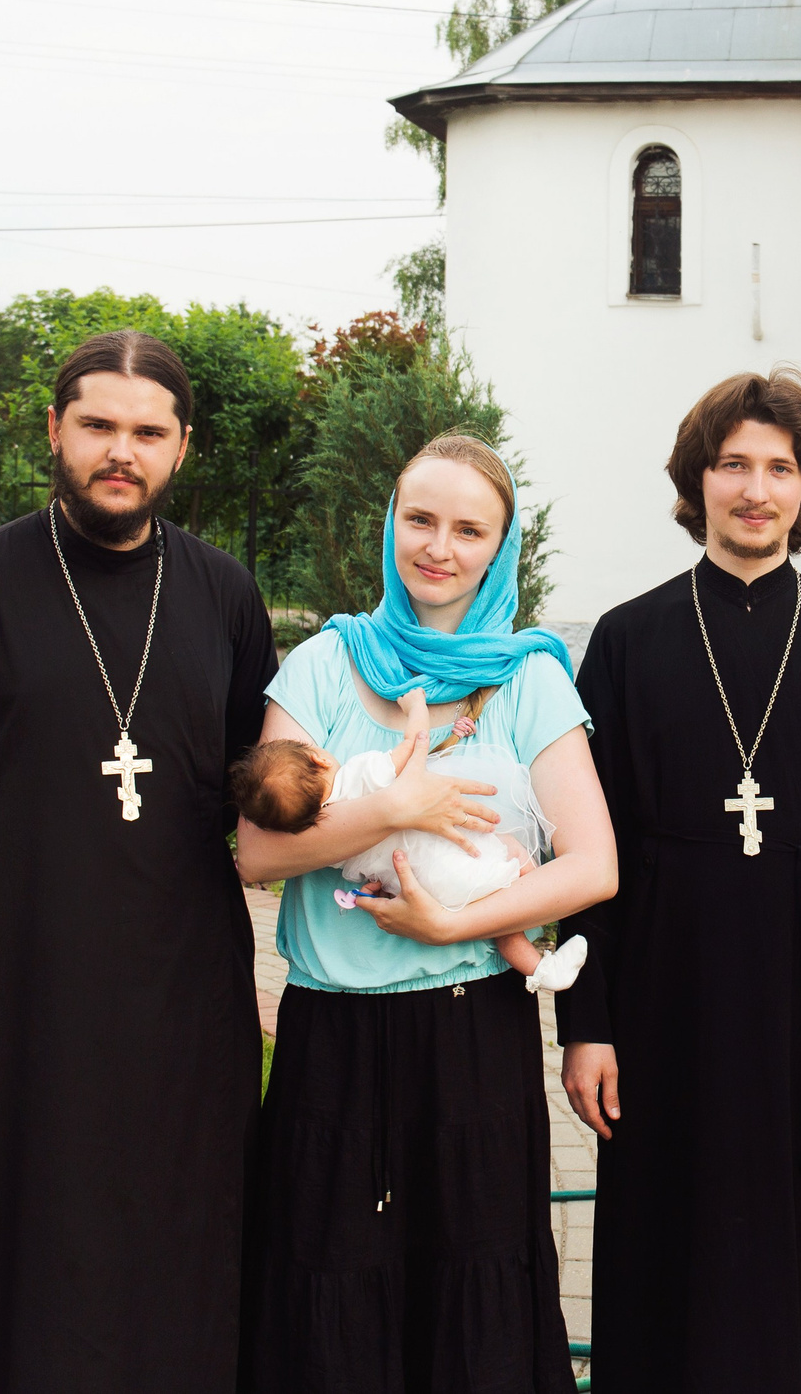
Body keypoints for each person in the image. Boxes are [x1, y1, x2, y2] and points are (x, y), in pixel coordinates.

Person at [0, 330, 283, 1392]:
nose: (119, 451)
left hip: (176, 979)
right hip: (5, 973)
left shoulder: (225, 596)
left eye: (147, 431)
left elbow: (250, 767)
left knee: (168, 1206)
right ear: (54, 432)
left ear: (183, 449)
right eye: (97, 425)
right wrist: (0, 861)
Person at [557, 368, 801, 1394]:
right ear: (697, 482)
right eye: (733, 466)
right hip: (668, 984)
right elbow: (589, 847)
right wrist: (586, 1021)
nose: (756, 489)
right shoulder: (628, 641)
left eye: (780, 467)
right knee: (668, 1243)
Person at [232, 432, 617, 1394]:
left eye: (468, 528)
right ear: (391, 523)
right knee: (330, 1282)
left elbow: (596, 864)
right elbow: (259, 852)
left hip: (470, 1035)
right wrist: (390, 810)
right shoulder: (324, 663)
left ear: (501, 545)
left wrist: (452, 926)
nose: (438, 545)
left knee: (472, 1288)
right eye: (420, 519)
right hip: (334, 1034)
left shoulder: (530, 677)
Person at [229, 688, 592, 992]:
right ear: (317, 758)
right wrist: (415, 706)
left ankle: (540, 969)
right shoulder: (358, 776)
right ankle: (541, 948)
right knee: (510, 858)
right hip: (452, 860)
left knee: (504, 928)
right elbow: (413, 745)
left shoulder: (319, 832)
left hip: (420, 890)